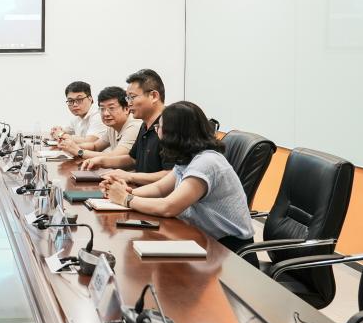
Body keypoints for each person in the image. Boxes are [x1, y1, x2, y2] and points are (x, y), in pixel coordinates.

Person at [102, 101, 254, 253]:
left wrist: (126, 199)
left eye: (159, 126)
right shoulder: (189, 157)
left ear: (173, 132)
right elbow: (160, 188)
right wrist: (124, 191)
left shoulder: (207, 162)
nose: (157, 130)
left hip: (228, 250)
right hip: (200, 237)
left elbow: (168, 207)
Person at [81, 68, 172, 185]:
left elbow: (172, 174)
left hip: (156, 195)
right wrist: (102, 161)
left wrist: (130, 176)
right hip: (139, 191)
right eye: (127, 98)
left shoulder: (170, 124)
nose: (129, 103)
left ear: (153, 96)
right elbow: (133, 159)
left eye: (132, 97)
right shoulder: (145, 124)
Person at [58, 86, 141, 160]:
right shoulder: (112, 126)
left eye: (111, 108)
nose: (106, 113)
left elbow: (115, 157)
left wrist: (79, 152)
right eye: (102, 109)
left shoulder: (133, 126)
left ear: (126, 109)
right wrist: (71, 147)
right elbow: (95, 146)